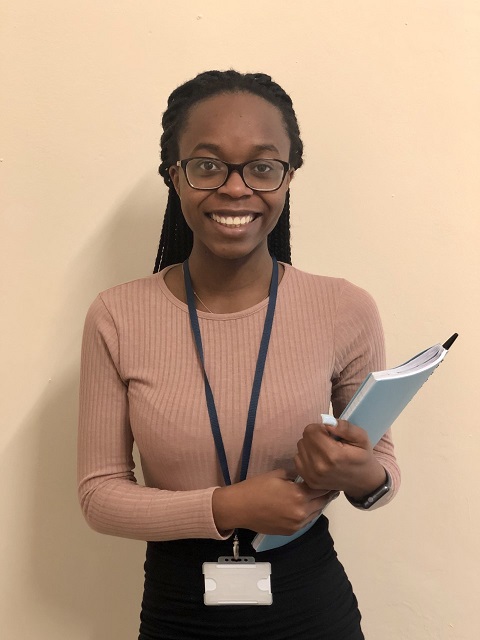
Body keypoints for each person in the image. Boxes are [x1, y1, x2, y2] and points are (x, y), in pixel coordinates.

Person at [78, 70, 400, 640]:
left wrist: (361, 471)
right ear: (173, 177)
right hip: (178, 611)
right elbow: (99, 495)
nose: (235, 187)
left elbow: (383, 475)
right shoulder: (117, 315)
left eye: (262, 165)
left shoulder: (345, 309)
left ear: (288, 177)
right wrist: (229, 505)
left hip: (311, 610)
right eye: (207, 165)